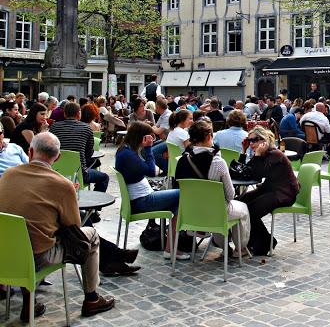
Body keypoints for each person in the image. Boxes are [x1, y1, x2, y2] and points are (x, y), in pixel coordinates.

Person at [0, 132, 116, 320]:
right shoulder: (62, 184)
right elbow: (74, 226)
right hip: (38, 257)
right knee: (91, 235)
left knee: (26, 233)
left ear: (30, 152)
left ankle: (30, 302)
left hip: (5, 252)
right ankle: (92, 298)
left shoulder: (7, 176)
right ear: (58, 157)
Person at [115, 121, 189, 260]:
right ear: (141, 137)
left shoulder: (126, 150)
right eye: (149, 137)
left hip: (140, 198)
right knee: (184, 193)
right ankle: (172, 246)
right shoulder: (128, 154)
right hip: (142, 201)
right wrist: (148, 149)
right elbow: (151, 171)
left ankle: (171, 247)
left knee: (177, 205)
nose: (151, 140)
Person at [175, 121, 251, 256]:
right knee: (241, 208)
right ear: (209, 136)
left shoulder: (181, 160)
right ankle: (241, 249)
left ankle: (225, 248)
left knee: (218, 207)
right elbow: (230, 195)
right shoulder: (218, 163)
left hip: (190, 212)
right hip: (215, 213)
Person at [238, 127, 299, 256]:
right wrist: (243, 151)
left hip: (283, 194)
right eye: (249, 141)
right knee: (240, 203)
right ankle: (255, 241)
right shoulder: (264, 154)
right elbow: (246, 172)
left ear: (264, 140)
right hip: (269, 189)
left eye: (254, 140)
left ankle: (265, 243)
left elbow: (257, 174)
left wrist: (257, 155)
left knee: (249, 211)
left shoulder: (275, 154)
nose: (251, 144)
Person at [50, 102, 109, 193]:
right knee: (104, 177)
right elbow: (89, 153)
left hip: (56, 173)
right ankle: (93, 205)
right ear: (78, 114)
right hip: (80, 174)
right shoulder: (86, 128)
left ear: (65, 114)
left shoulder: (54, 127)